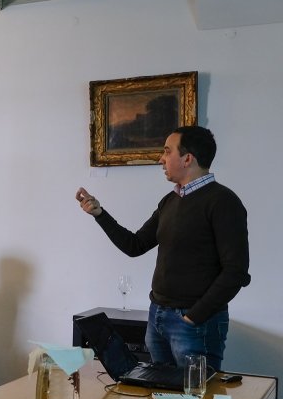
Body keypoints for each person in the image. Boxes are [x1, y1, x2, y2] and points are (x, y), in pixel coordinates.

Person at [75, 126, 249, 371]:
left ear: (187, 159)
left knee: (197, 395)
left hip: (194, 324)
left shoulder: (224, 202)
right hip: (158, 316)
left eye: (167, 151)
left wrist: (193, 317)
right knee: (159, 392)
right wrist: (99, 214)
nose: (161, 159)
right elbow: (135, 245)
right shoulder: (170, 201)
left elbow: (235, 272)